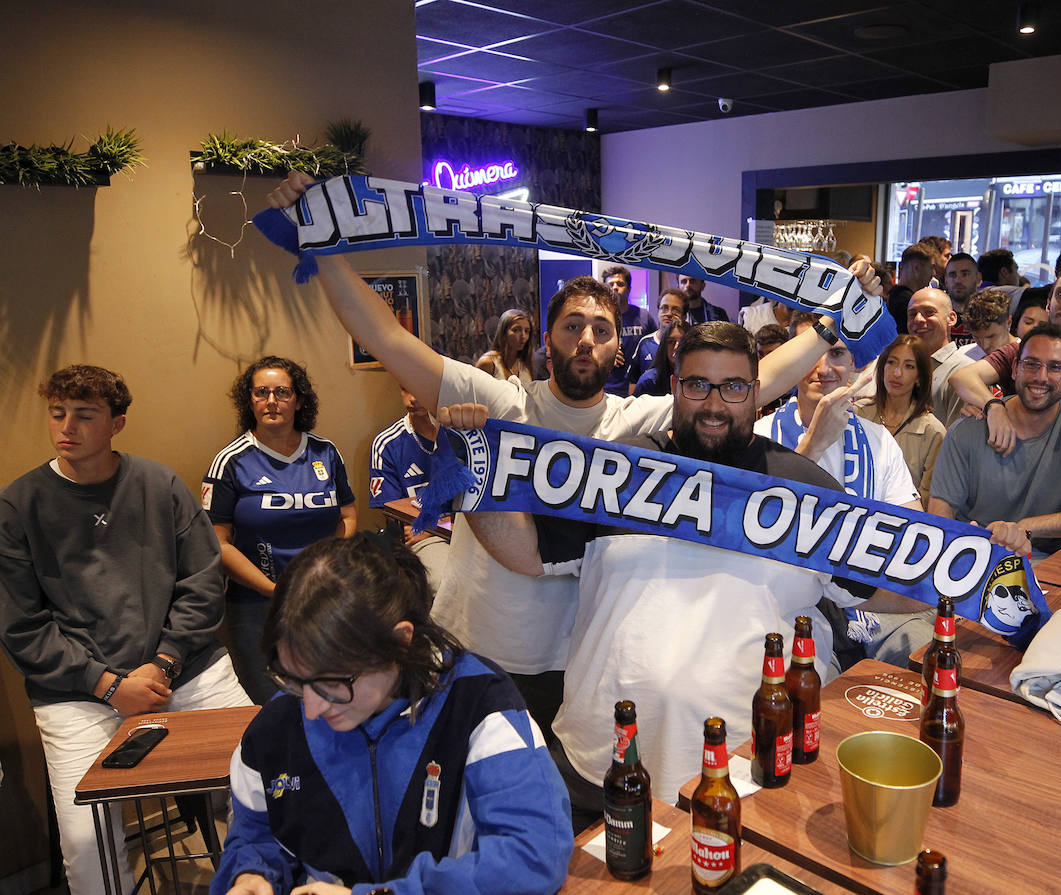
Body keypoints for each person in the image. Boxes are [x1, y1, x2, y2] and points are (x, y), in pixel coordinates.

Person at [269, 162, 880, 745]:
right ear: (547, 335)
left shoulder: (637, 423)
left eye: (602, 329)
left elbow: (750, 383)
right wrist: (321, 247)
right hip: (479, 647)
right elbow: (387, 337)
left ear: (621, 348)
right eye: (571, 325)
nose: (585, 338)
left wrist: (830, 326)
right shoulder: (499, 401)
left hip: (571, 661)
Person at [457, 322, 878, 808]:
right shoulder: (616, 470)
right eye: (698, 385)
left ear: (755, 391)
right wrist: (467, 470)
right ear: (675, 387)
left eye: (733, 387)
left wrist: (979, 570)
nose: (715, 404)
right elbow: (526, 553)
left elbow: (878, 587)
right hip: (599, 758)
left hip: (744, 768)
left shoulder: (809, 489)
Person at [0, 365, 251, 895]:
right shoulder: (17, 505)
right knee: (86, 842)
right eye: (57, 413)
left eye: (84, 415)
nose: (66, 426)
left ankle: (258, 881)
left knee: (265, 776)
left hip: (184, 671)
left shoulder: (159, 485)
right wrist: (109, 685)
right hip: (77, 692)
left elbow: (203, 584)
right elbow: (22, 626)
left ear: (117, 423)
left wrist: (162, 663)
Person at [211, 535, 572, 895]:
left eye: (334, 682)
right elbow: (257, 834)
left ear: (400, 641)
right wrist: (252, 874)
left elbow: (533, 856)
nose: (311, 707)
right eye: (291, 676)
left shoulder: (480, 705)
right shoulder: (274, 729)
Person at [756, 323, 929, 667]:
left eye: (835, 354)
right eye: (809, 356)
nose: (823, 368)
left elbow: (914, 536)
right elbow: (761, 537)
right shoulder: (758, 437)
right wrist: (813, 445)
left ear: (853, 363)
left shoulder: (878, 440)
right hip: (786, 606)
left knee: (931, 660)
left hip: (874, 605)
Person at [204, 356, 357, 704]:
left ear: (299, 400)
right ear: (250, 401)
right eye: (261, 393)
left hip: (324, 598)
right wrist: (276, 590)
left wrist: (327, 573)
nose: (272, 401)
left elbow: (347, 516)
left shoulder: (326, 452)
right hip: (258, 606)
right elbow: (218, 542)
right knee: (275, 707)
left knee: (334, 699)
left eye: (282, 392)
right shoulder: (231, 461)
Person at [927, 324, 1061, 559]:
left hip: (1051, 569)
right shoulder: (969, 428)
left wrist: (1025, 527)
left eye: (1055, 367)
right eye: (1031, 364)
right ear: (1015, 368)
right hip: (977, 559)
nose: (1041, 377)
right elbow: (939, 520)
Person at [948, 265, 1061, 456]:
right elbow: (962, 377)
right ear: (1049, 304)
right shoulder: (1023, 351)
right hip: (1016, 457)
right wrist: (993, 406)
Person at [369, 383, 447, 578]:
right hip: (423, 539)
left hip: (463, 529)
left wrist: (436, 526)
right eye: (405, 388)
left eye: (421, 387)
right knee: (447, 581)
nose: (413, 397)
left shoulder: (460, 434)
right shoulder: (387, 443)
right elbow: (394, 516)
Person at [856, 335, 946, 499]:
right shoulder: (857, 414)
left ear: (920, 376)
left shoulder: (932, 432)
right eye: (891, 362)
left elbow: (928, 500)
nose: (897, 373)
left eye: (909, 366)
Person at [906, 286, 975, 428]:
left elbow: (956, 442)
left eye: (929, 312)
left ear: (951, 318)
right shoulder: (900, 367)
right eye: (912, 314)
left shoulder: (964, 371)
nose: (918, 319)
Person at [600, 265, 648, 397]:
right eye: (611, 284)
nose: (615, 287)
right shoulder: (598, 317)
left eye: (620, 284)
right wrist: (607, 354)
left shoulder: (644, 316)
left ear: (628, 289)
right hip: (605, 388)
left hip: (637, 388)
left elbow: (654, 347)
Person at [627, 288, 687, 386]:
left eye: (676, 309)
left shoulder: (690, 345)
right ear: (658, 311)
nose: (669, 313)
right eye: (664, 308)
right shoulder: (645, 343)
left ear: (684, 316)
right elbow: (633, 381)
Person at [885, 243, 938, 335]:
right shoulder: (910, 303)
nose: (934, 273)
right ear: (916, 268)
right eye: (931, 267)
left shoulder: (891, 295)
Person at [475, 308, 535, 384]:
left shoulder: (525, 363)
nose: (523, 336)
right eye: (516, 330)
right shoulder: (489, 363)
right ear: (504, 332)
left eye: (526, 331)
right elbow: (474, 393)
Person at [633, 319, 688, 396]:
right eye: (671, 342)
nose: (676, 347)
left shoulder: (698, 377)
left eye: (683, 341)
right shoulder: (649, 381)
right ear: (664, 346)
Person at [964, 288, 1015, 359]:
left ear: (1008, 322)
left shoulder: (1029, 355)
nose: (985, 346)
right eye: (977, 337)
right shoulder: (964, 356)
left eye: (991, 336)